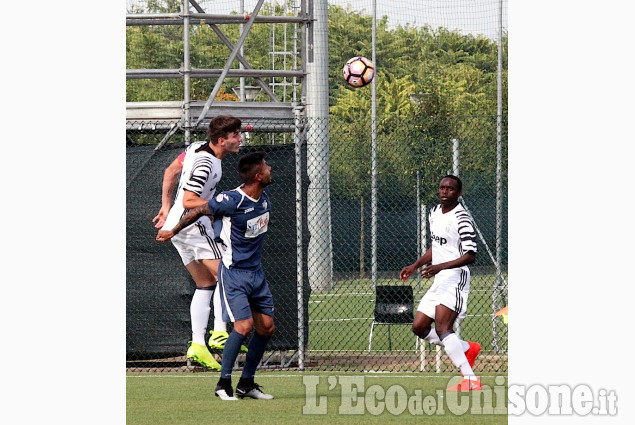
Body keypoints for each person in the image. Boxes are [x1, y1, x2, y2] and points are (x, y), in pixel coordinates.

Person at [157, 152, 276, 400]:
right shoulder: (231, 200)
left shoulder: (263, 197)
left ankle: (247, 384)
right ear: (257, 175)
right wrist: (172, 229)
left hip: (257, 274)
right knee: (243, 327)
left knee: (266, 328)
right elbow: (198, 210)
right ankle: (223, 384)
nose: (270, 168)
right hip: (234, 274)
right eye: (266, 167)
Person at [154, 115, 246, 371]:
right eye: (236, 135)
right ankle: (218, 333)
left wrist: (165, 209)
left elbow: (170, 171)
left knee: (205, 283)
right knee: (228, 275)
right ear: (221, 140)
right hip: (191, 225)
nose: (240, 139)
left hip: (176, 226)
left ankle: (197, 345)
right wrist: (223, 205)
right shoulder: (206, 163)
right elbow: (189, 201)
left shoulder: (195, 148)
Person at [399, 175, 482, 391]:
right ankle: (465, 348)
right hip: (440, 278)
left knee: (443, 327)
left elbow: (471, 255)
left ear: (459, 193)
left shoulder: (462, 218)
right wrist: (415, 265)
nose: (445, 191)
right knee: (419, 327)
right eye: (442, 188)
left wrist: (440, 266)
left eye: (451, 189)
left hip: (455, 277)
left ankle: (471, 379)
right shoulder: (434, 212)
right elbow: (437, 246)